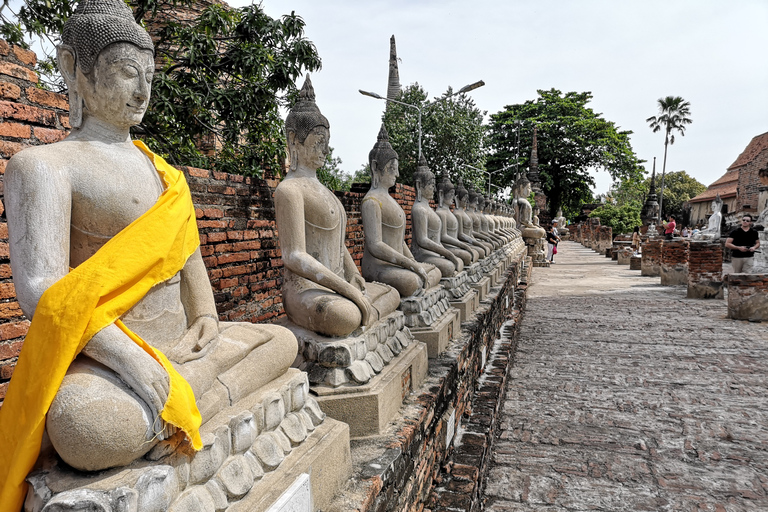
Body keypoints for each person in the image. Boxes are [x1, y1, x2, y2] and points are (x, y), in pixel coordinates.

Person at [0, 1, 298, 502]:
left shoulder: (163, 173)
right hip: (108, 362)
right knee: (83, 426)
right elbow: (40, 288)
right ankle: (183, 397)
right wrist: (130, 360)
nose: (142, 91)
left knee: (281, 341)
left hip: (183, 347)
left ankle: (183, 397)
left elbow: (187, 256)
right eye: (124, 73)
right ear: (74, 68)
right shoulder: (45, 166)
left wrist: (205, 313)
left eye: (149, 77)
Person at [274, 77, 399, 337]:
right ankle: (363, 314)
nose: (326, 150)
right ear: (294, 139)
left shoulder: (324, 191)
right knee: (346, 316)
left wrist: (352, 275)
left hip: (336, 284)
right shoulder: (289, 190)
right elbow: (295, 256)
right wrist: (345, 288)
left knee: (392, 292)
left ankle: (365, 312)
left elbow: (337, 245)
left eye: (326, 142)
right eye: (318, 141)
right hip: (304, 289)